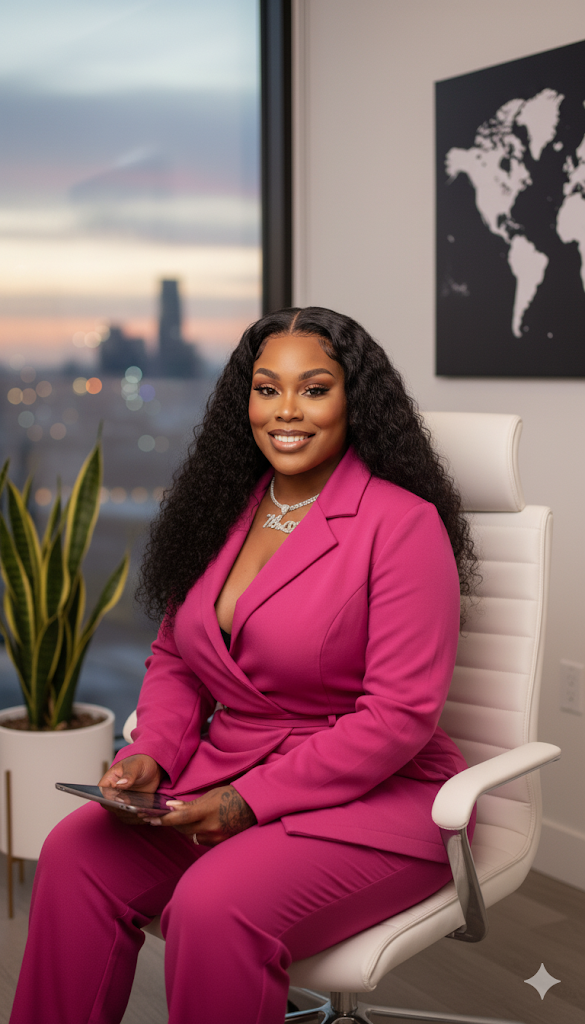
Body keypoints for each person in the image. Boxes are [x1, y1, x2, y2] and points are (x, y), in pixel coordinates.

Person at [11, 307, 477, 1024]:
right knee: (76, 853)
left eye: (313, 389)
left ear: (354, 399)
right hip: (222, 771)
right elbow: (177, 658)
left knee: (213, 905)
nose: (285, 411)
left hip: (375, 796)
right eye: (266, 389)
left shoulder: (402, 525)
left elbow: (397, 719)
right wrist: (150, 755)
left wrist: (245, 802)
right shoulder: (220, 510)